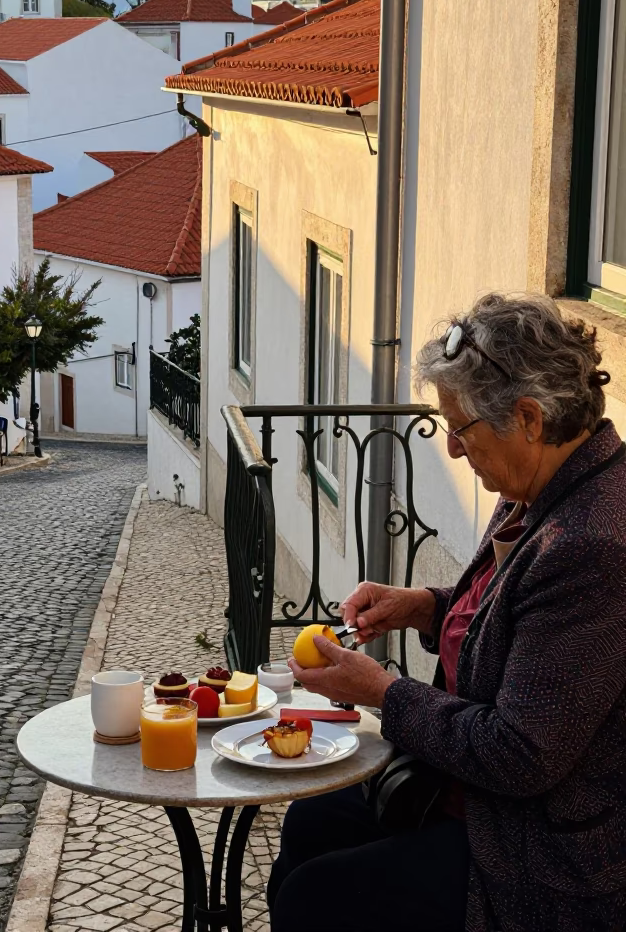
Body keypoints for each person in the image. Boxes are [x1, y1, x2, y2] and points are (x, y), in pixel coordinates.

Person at [269, 293, 626, 932]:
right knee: (311, 821)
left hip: (536, 847)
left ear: (529, 418)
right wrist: (425, 608)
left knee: (316, 899)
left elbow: (521, 753)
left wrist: (383, 692)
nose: (456, 450)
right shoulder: (534, 485)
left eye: (461, 430)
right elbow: (518, 630)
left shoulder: (593, 543)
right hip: (469, 795)